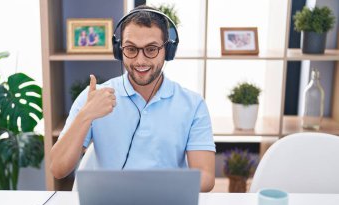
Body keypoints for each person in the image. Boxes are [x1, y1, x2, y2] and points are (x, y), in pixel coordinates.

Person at [50, 5, 216, 192]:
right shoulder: (94, 98)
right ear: (119, 50)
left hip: (166, 203)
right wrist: (86, 115)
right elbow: (57, 168)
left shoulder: (192, 104)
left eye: (151, 49)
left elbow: (206, 177)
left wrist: (149, 188)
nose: (140, 60)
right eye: (131, 49)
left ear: (168, 51)